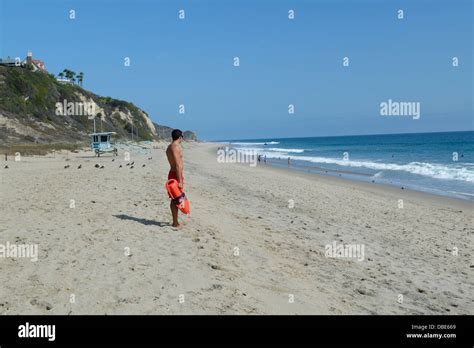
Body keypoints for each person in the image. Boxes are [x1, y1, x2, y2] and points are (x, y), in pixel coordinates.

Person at [166, 129, 185, 227]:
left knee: (174, 198)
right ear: (180, 137)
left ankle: (175, 221)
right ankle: (175, 222)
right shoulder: (175, 147)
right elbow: (177, 165)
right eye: (182, 137)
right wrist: (180, 181)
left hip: (172, 173)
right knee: (176, 199)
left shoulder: (169, 147)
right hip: (176, 175)